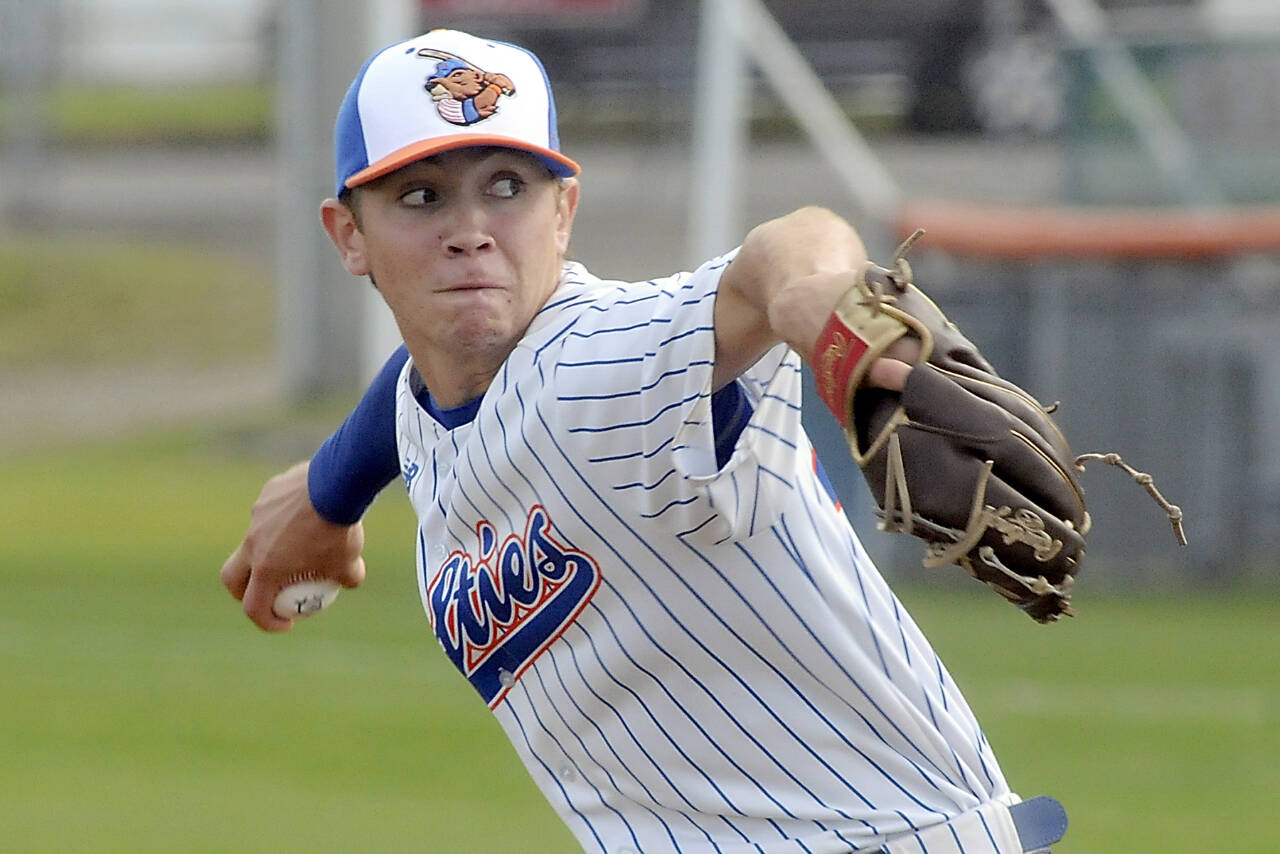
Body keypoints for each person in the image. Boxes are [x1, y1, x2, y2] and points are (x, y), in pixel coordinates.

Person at [221, 28, 1064, 854]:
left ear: (563, 212)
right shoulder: (432, 403)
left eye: (508, 185)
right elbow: (426, 390)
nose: (470, 228)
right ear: (348, 236)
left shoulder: (612, 361)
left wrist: (818, 291)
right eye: (420, 196)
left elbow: (782, 248)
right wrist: (329, 489)